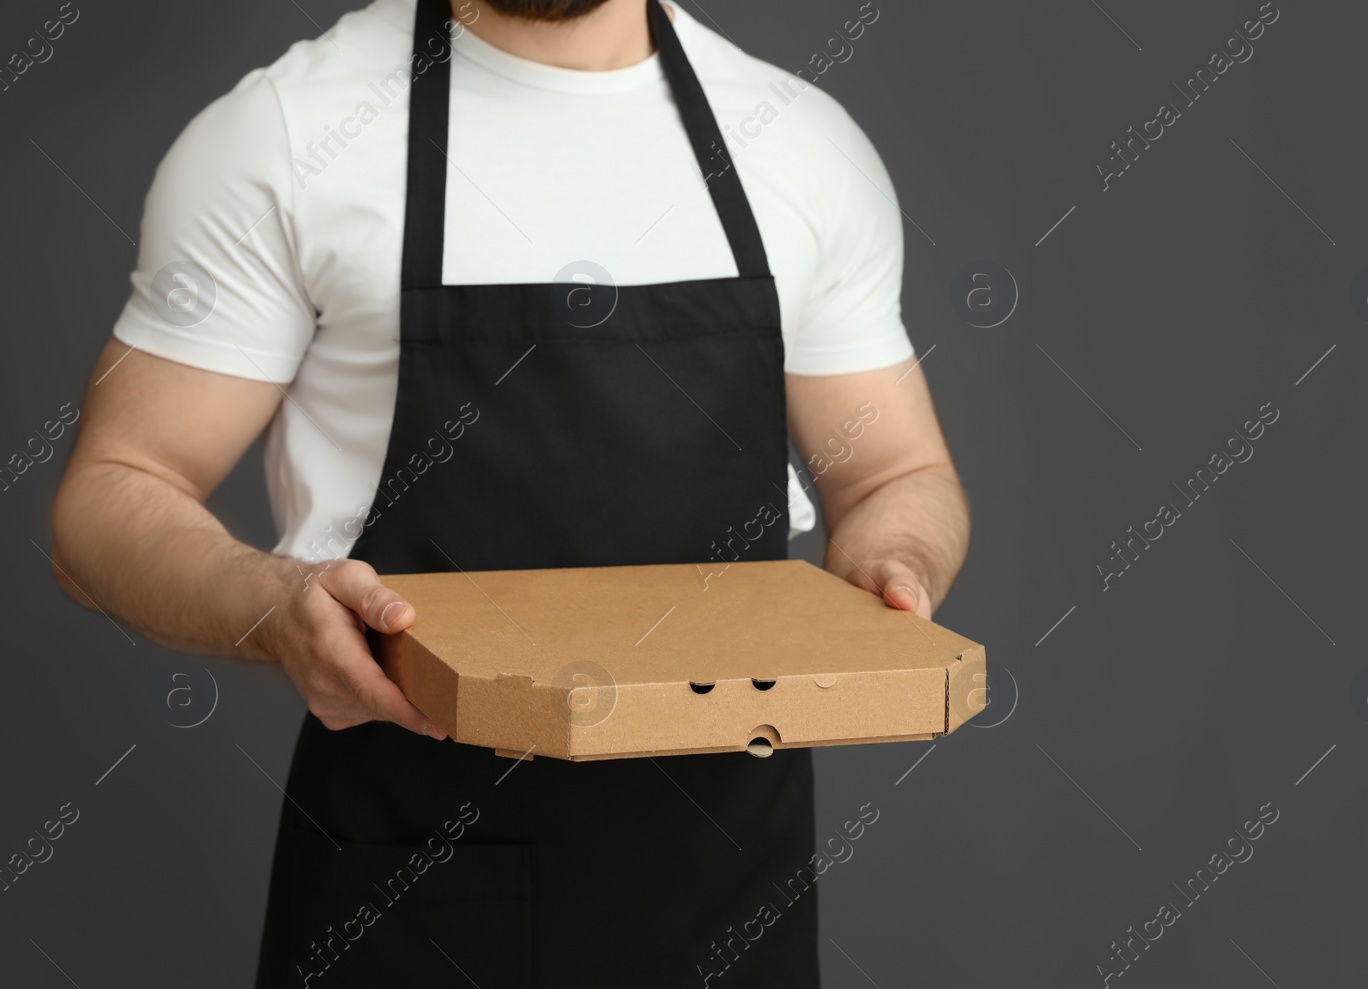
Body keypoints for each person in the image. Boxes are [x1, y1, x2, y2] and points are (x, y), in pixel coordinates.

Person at [48, 0, 969, 985]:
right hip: (415, 887)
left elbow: (893, 473)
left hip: (728, 893)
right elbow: (109, 495)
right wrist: (272, 608)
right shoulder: (287, 135)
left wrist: (896, 560)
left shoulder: (795, 142)